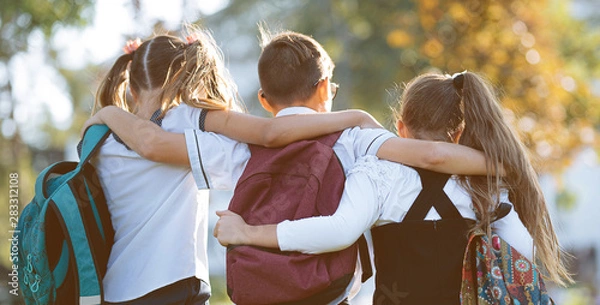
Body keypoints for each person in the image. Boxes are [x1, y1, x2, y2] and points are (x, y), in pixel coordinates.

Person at [84, 29, 493, 304]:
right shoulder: (354, 138)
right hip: (332, 292)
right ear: (323, 89)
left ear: (263, 100)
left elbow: (164, 146)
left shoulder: (234, 150)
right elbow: (428, 155)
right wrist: (501, 164)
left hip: (260, 289)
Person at [214, 71, 573, 304]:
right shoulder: (482, 182)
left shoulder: (377, 174)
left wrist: (248, 232)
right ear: (460, 132)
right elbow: (522, 249)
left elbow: (337, 232)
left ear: (400, 127)